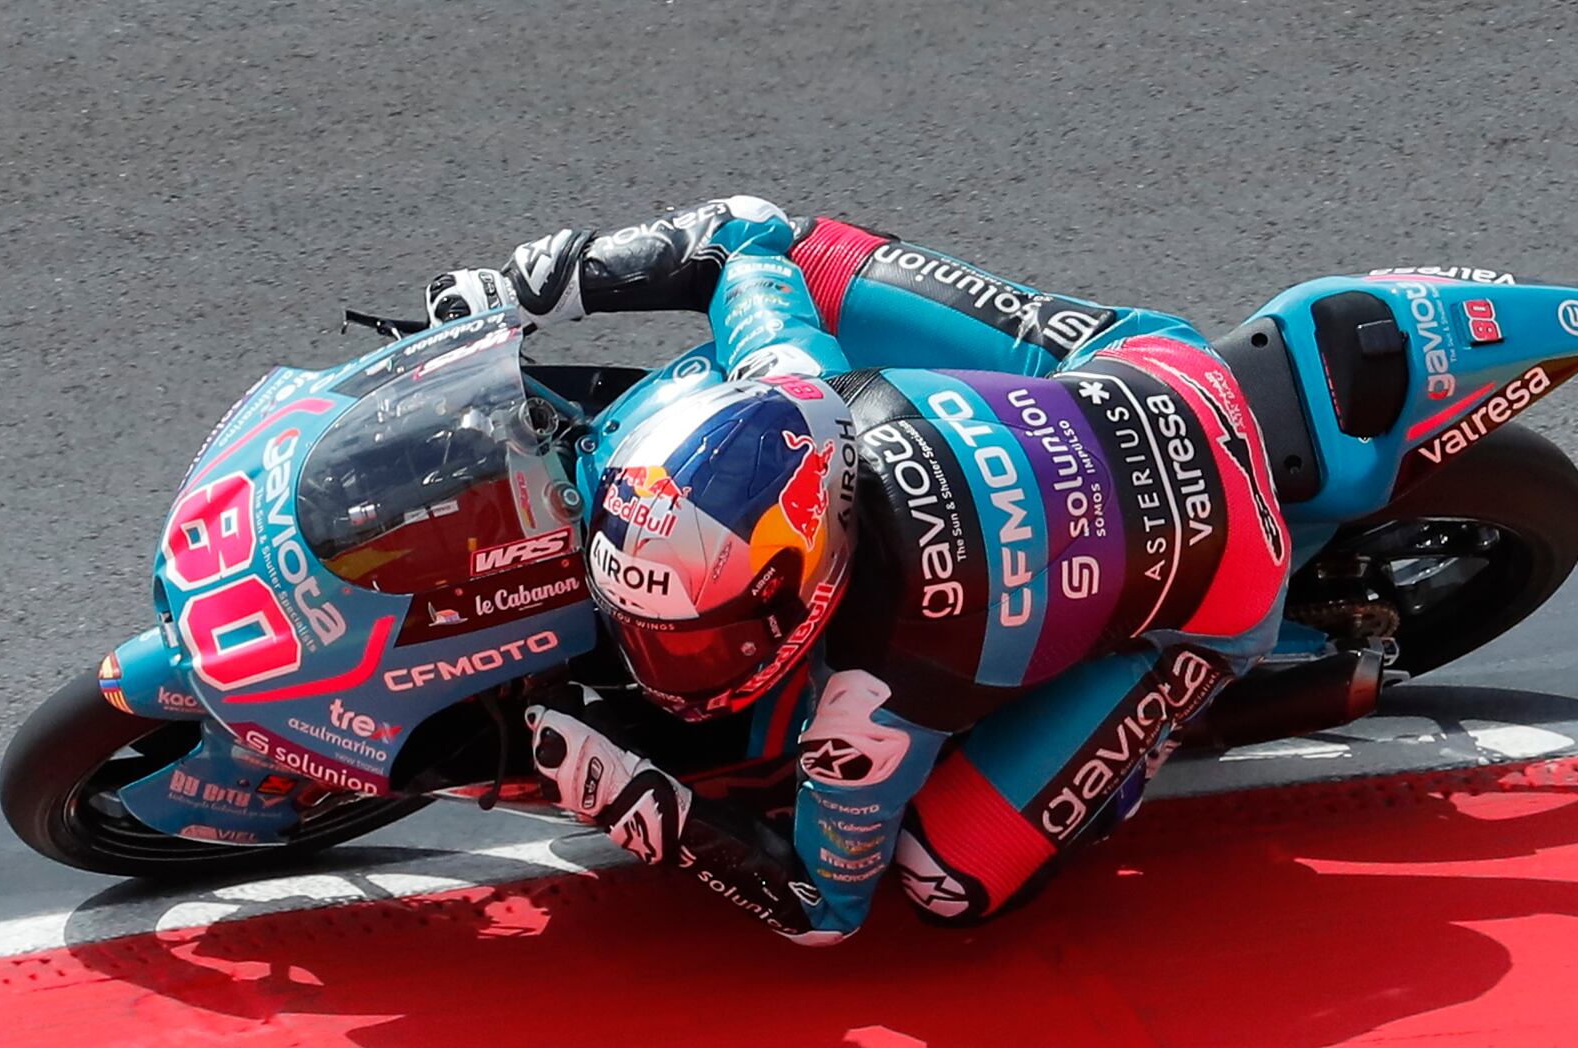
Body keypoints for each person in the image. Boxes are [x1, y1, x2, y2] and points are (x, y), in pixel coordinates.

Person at [425, 196, 1292, 944]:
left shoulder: (871, 698)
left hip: (1228, 574)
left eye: (689, 642)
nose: (657, 662)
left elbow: (822, 905)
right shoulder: (800, 387)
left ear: (801, 594)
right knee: (803, 252)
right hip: (1152, 363)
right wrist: (535, 286)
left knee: (943, 881)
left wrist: (649, 808)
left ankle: (1153, 736)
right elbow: (743, 232)